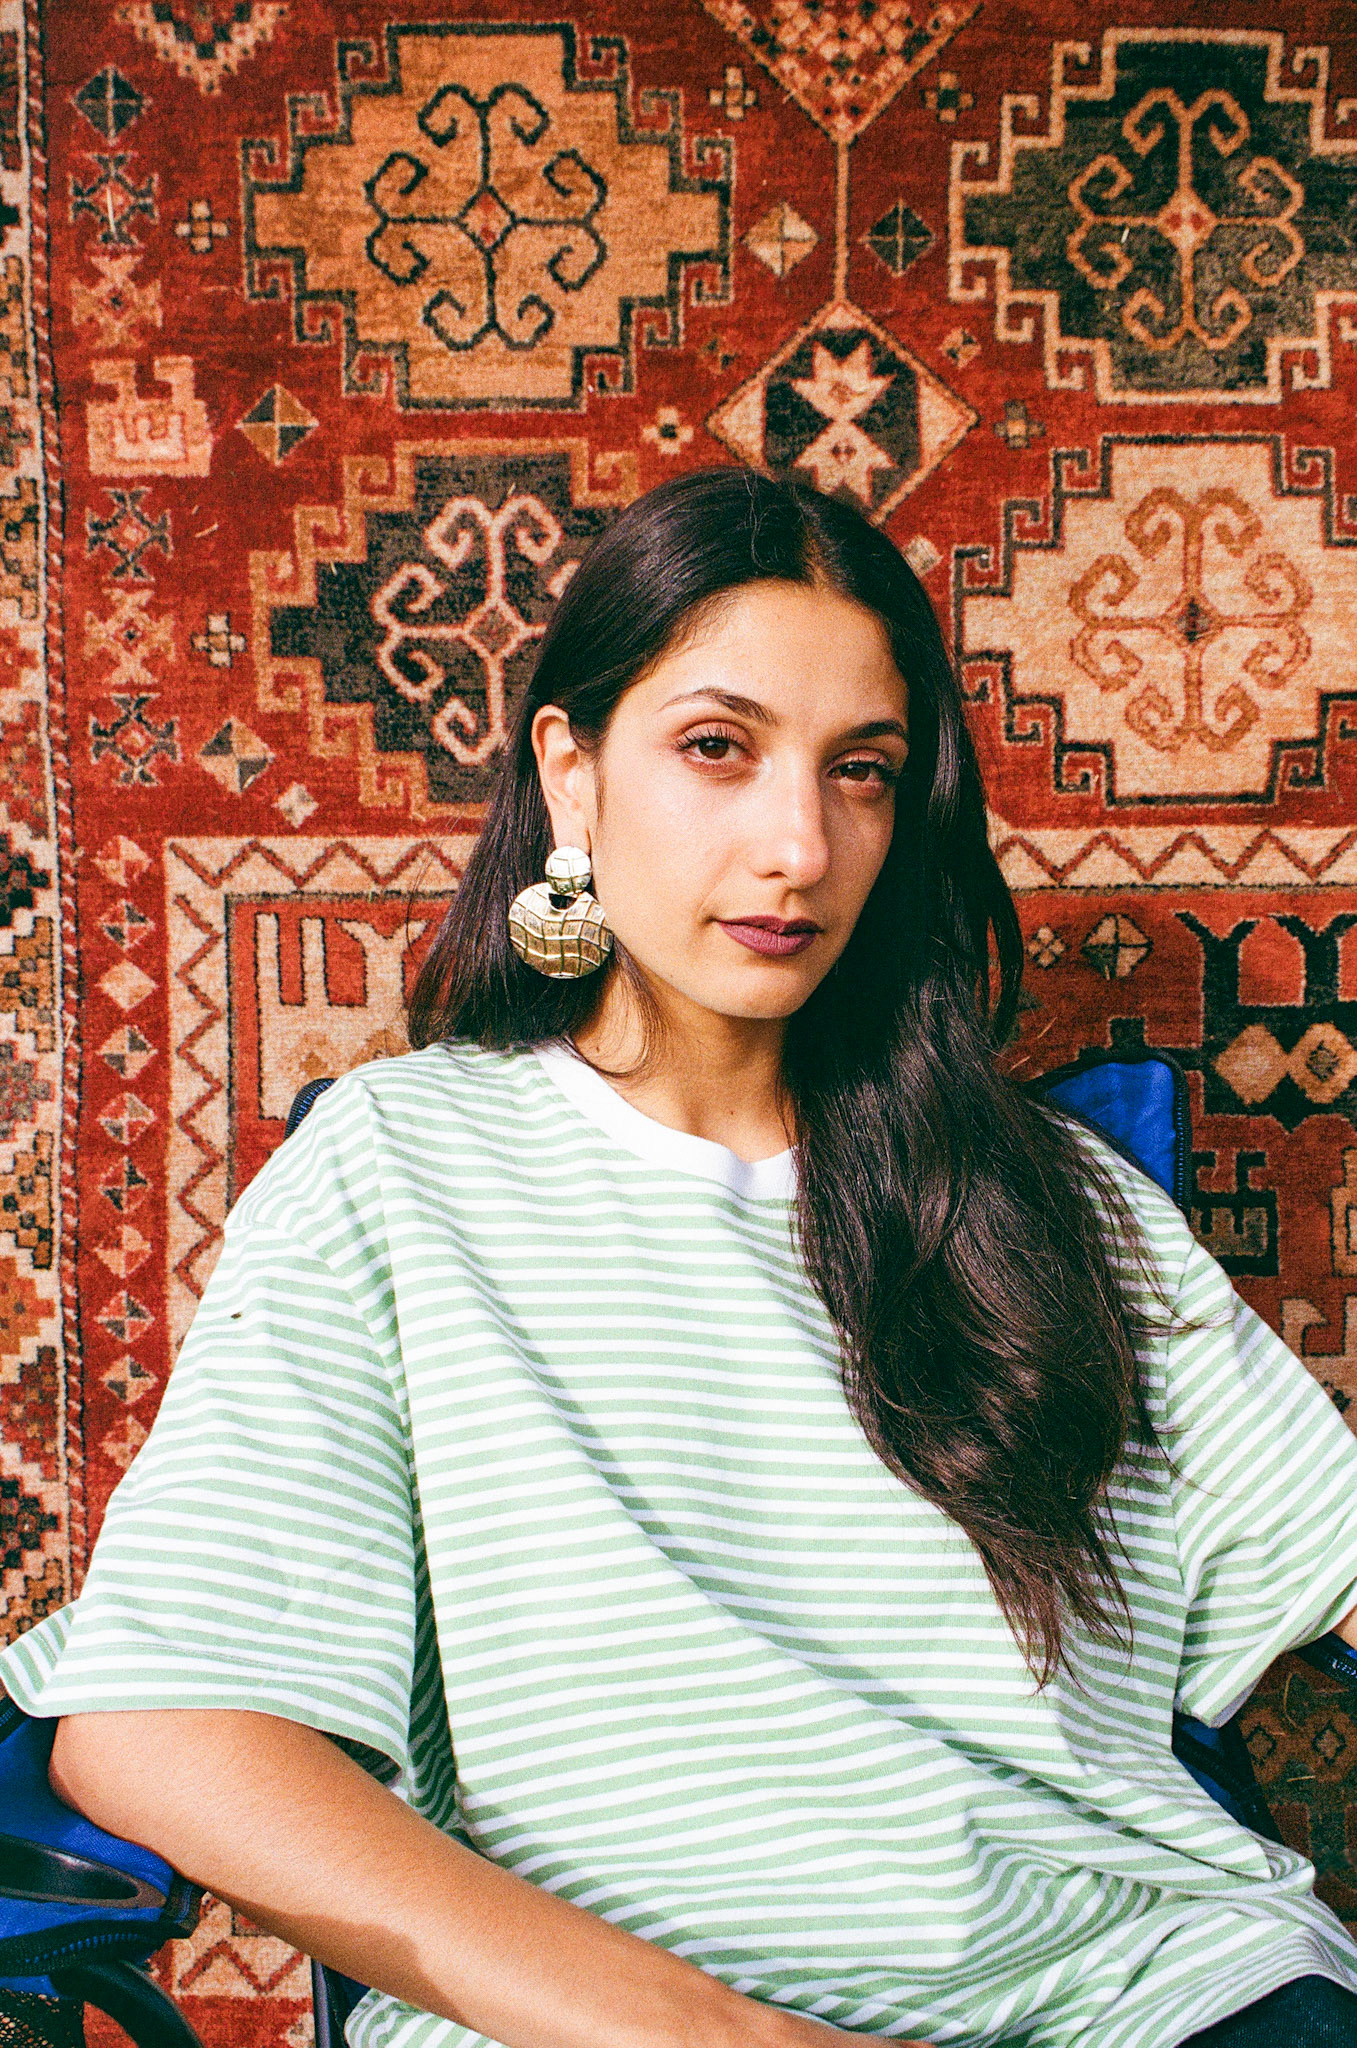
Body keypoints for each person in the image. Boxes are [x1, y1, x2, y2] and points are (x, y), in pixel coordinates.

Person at [2, 465, 1356, 2048]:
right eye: (717, 748)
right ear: (570, 776)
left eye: (861, 772)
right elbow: (163, 1733)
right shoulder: (394, 1170)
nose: (799, 844)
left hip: (1147, 1993)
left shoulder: (1045, 1194)